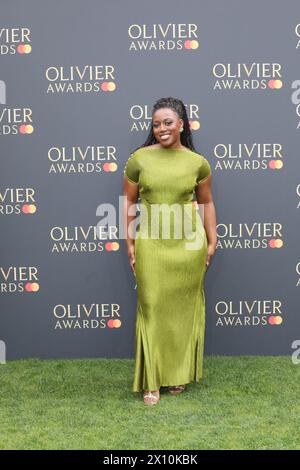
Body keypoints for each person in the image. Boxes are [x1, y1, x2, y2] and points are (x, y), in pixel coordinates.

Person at [123, 97, 217, 405]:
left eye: (167, 122)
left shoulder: (197, 162)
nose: (161, 129)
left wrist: (211, 238)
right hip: (151, 239)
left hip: (188, 242)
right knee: (151, 306)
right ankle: (151, 379)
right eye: (155, 124)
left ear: (181, 124)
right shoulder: (138, 159)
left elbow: (206, 203)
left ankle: (177, 375)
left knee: (181, 310)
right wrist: (130, 241)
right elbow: (129, 204)